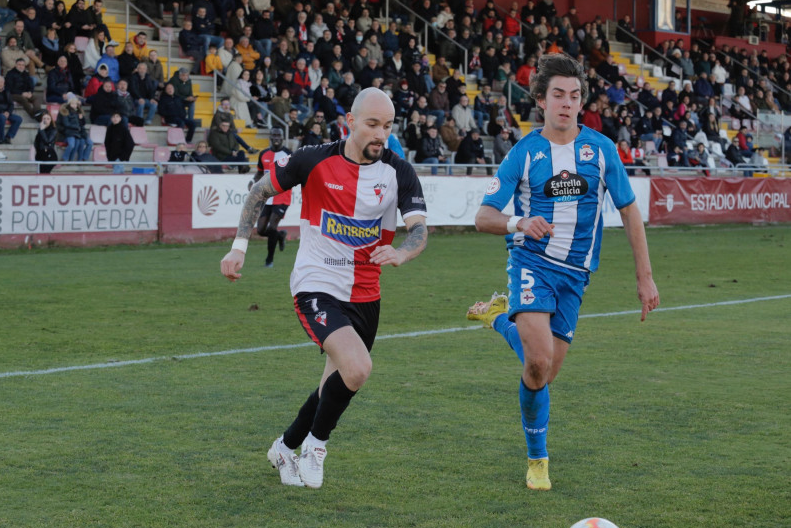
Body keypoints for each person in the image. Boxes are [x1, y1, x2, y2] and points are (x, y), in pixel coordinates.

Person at [467, 53, 659, 492]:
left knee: (545, 374)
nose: (567, 104)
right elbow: (482, 216)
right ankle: (538, 459)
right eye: (558, 95)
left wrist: (644, 276)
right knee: (536, 361)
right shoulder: (525, 152)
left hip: (575, 276)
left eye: (574, 96)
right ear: (540, 100)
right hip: (531, 263)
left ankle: (498, 317)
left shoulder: (602, 149)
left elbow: (630, 210)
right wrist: (519, 222)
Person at [220, 87, 428, 489]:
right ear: (349, 122)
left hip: (367, 294)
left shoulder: (399, 171)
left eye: (386, 126)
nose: (379, 134)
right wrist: (238, 247)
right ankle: (316, 447)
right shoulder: (313, 159)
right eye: (371, 124)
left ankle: (285, 446)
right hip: (316, 283)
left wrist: (402, 253)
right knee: (358, 367)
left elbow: (419, 229)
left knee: (335, 384)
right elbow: (260, 192)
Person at [251, 128, 292, 267]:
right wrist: (253, 182)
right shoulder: (263, 154)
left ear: (282, 138)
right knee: (261, 230)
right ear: (270, 137)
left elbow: (295, 173)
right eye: (274, 135)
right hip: (267, 197)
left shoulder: (288, 154)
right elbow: (259, 173)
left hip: (282, 197)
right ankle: (280, 236)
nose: (276, 138)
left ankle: (269, 260)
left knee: (273, 226)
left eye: (278, 135)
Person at [57, 97, 91, 162]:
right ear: (69, 104)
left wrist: (81, 119)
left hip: (78, 133)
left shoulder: (78, 112)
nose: (74, 105)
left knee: (82, 143)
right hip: (69, 133)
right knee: (73, 144)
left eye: (75, 104)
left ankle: (76, 159)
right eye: (72, 104)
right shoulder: (66, 112)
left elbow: (82, 124)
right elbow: (66, 124)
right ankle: (65, 158)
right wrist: (77, 127)